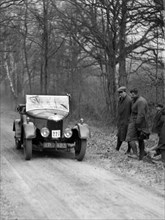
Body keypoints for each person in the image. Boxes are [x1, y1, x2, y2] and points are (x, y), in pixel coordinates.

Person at [126, 88, 150, 160]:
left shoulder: (140, 101)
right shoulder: (137, 100)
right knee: (140, 138)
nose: (131, 95)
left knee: (130, 138)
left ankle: (135, 154)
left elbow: (141, 114)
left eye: (132, 94)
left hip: (137, 122)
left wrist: (137, 124)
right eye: (131, 94)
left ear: (135, 93)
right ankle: (141, 156)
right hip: (136, 121)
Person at [116, 86, 132, 153]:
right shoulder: (120, 99)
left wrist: (130, 120)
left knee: (128, 137)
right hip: (121, 121)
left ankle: (129, 150)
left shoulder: (129, 100)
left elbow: (132, 111)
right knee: (119, 135)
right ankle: (117, 148)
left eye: (121, 92)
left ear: (125, 92)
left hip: (127, 121)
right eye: (119, 92)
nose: (120, 94)